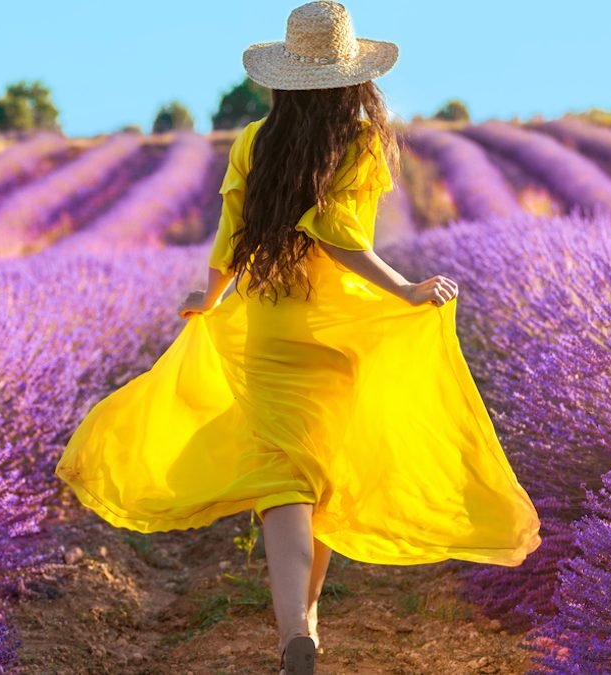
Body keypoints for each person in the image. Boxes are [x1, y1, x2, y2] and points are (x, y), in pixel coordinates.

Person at [54, 2, 542, 673]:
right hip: (332, 329)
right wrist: (401, 289)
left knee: (283, 481)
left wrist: (213, 297)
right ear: (353, 78)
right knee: (321, 475)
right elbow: (340, 235)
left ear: (284, 78)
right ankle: (307, 622)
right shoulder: (363, 140)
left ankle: (293, 631)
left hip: (267, 325)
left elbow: (232, 234)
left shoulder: (255, 140)